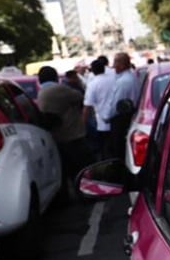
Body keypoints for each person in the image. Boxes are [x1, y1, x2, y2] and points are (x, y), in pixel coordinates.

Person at [37, 65, 93, 201]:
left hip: (56, 138)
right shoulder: (58, 89)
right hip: (71, 135)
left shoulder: (41, 92)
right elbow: (80, 96)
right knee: (80, 167)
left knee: (64, 169)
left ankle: (66, 197)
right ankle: (85, 194)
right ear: (55, 77)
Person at [104, 52, 141, 159]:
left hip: (121, 119)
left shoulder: (123, 81)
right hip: (128, 115)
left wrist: (106, 117)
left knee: (119, 151)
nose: (114, 66)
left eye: (115, 63)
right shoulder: (130, 76)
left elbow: (116, 105)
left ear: (122, 65)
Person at [83, 58, 115, 161]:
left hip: (102, 123)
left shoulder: (93, 84)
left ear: (92, 71)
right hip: (116, 119)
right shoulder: (113, 79)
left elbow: (87, 106)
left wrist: (83, 122)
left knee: (105, 149)